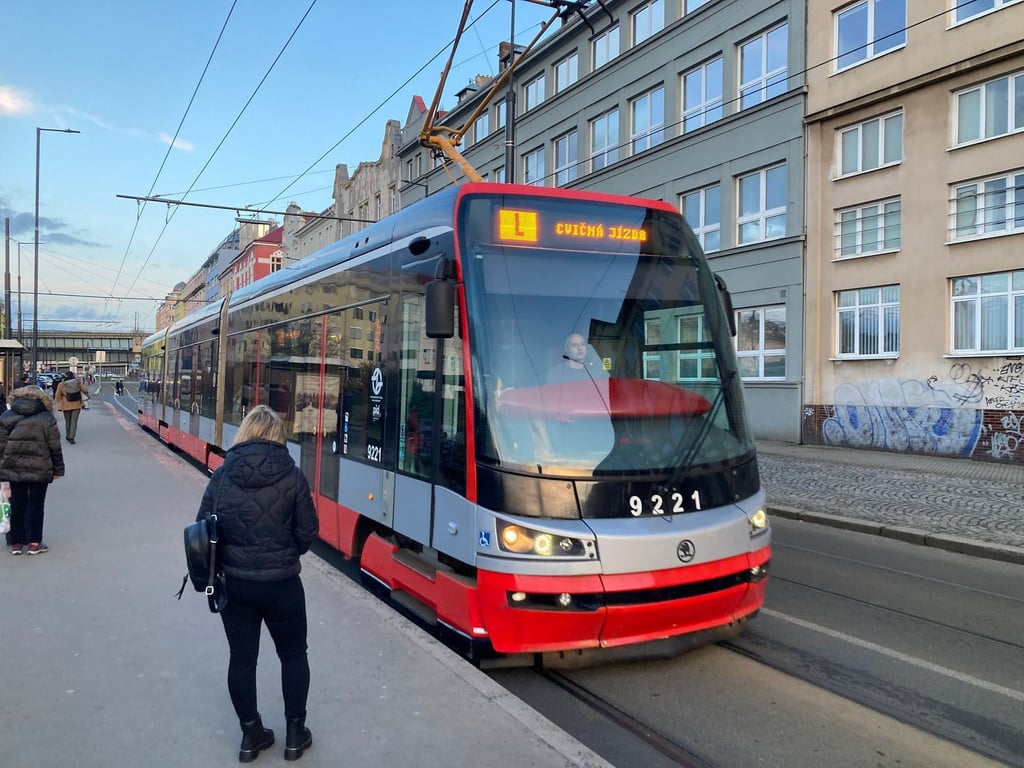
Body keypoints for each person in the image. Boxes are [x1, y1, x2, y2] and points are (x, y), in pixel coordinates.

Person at [196, 405, 319, 762]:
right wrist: (287, 553)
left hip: (235, 585)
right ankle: (295, 735)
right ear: (278, 435)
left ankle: (251, 736)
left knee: (241, 658)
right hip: (283, 585)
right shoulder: (293, 475)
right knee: (293, 655)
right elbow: (307, 532)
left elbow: (203, 527)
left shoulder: (222, 475)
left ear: (245, 433)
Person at [0, 385, 64, 555]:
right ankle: (35, 543)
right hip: (40, 467)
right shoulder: (47, 418)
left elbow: (1, 446)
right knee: (37, 505)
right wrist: (58, 469)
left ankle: (16, 543)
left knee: (16, 504)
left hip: (13, 467)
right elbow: (55, 447)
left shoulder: (6, 416)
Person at [54, 370, 89, 444]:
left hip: (66, 404)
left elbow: (57, 396)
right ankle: (72, 437)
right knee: (74, 422)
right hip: (77, 404)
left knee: (68, 421)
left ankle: (68, 435)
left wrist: (60, 402)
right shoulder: (77, 382)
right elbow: (85, 390)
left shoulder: (61, 384)